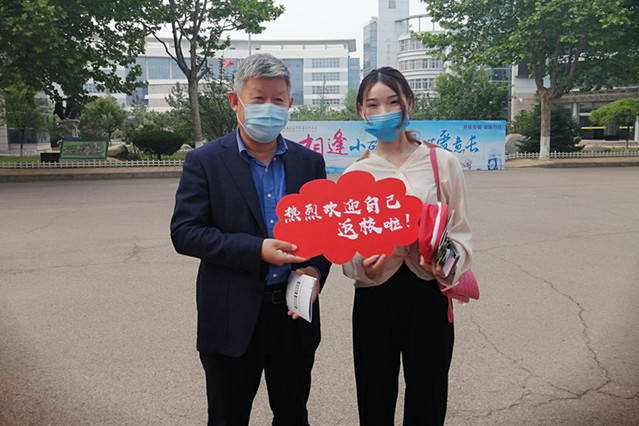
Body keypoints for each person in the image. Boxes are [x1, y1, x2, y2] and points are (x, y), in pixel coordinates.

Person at [170, 53, 331, 426]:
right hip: (230, 316)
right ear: (235, 101)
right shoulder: (205, 161)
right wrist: (256, 249)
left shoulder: (309, 163)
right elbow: (185, 232)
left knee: (293, 415)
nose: (268, 108)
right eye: (258, 98)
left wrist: (315, 271)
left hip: (292, 316)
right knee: (227, 416)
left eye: (278, 100)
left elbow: (324, 232)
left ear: (290, 104)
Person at [342, 67, 473, 425]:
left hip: (428, 294)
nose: (383, 111)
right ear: (361, 111)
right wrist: (361, 266)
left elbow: (461, 232)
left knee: (428, 396)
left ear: (409, 104)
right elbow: (348, 248)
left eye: (393, 102)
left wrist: (445, 264)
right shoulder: (355, 174)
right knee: (374, 397)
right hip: (374, 297)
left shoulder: (441, 163)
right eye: (373, 104)